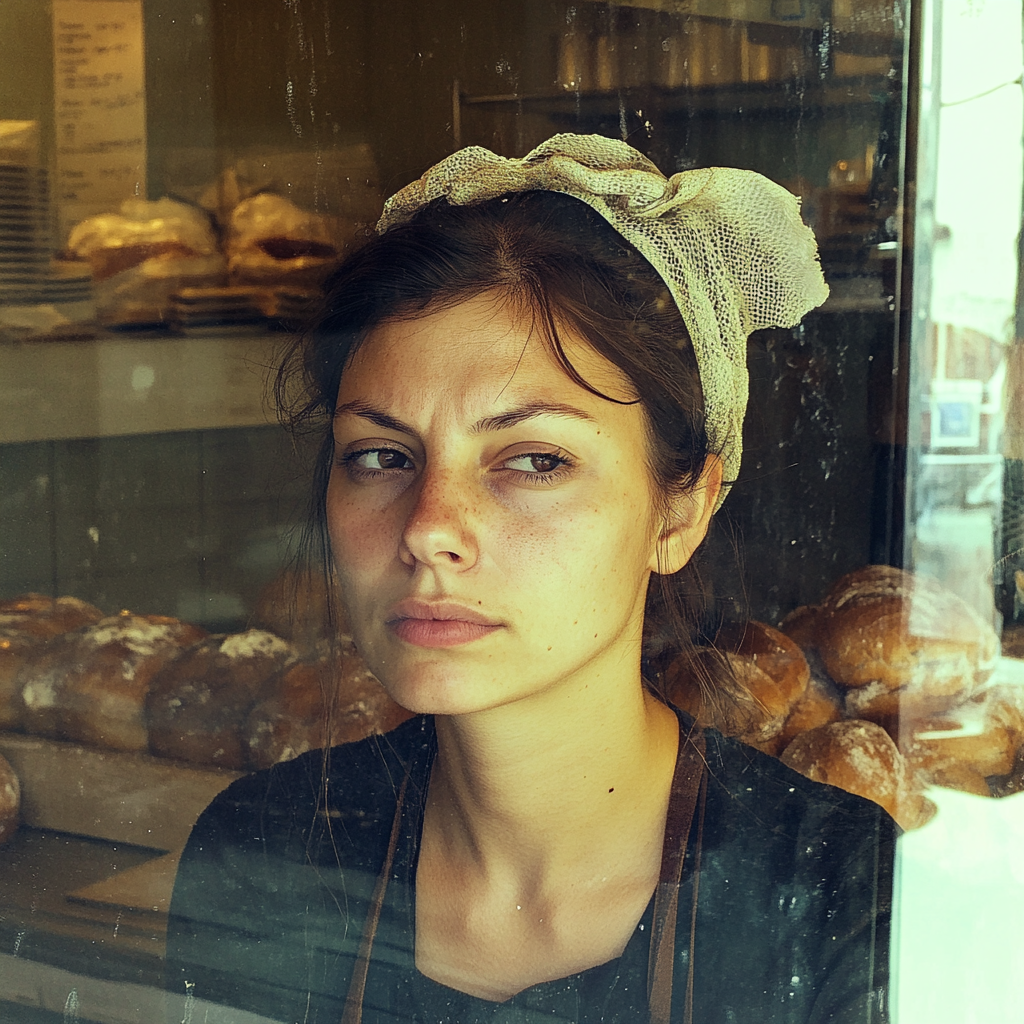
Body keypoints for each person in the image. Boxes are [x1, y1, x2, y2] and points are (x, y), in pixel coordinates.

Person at [166, 135, 895, 1024]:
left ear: (683, 510)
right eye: (383, 455)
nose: (431, 527)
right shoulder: (265, 854)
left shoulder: (839, 899)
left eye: (536, 461)